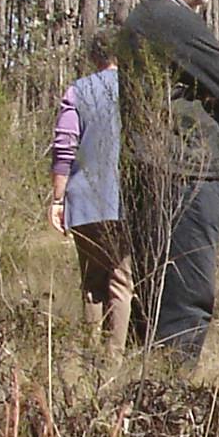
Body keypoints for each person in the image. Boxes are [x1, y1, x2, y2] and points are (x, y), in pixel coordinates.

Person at [116, 0, 219, 365]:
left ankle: (146, 404)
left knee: (155, 294)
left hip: (153, 172)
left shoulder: (139, 20)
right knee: (186, 298)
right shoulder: (173, 20)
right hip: (185, 178)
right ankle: (173, 406)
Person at [49, 27, 130, 351]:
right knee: (121, 282)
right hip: (125, 199)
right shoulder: (138, 90)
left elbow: (64, 147)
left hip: (83, 201)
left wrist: (58, 199)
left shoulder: (78, 91)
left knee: (92, 282)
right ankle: (114, 363)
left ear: (95, 56)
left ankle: (89, 361)